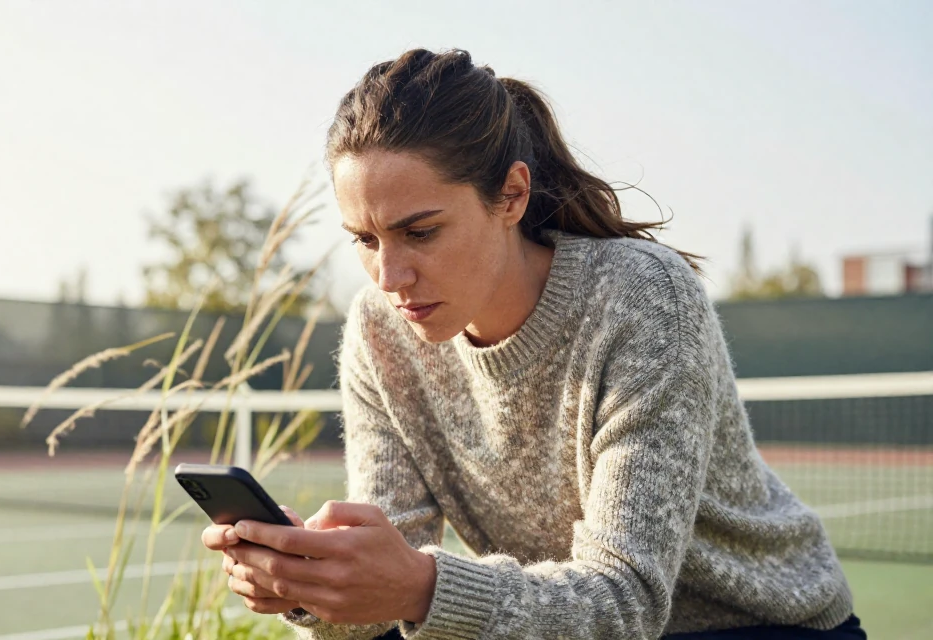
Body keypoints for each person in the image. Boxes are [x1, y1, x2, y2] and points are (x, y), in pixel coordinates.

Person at [201, 48, 866, 639]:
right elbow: (389, 597)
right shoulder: (380, 331)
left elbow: (626, 604)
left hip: (763, 623)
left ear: (511, 196)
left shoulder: (641, 297)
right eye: (365, 240)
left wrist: (420, 587)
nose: (390, 276)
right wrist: (317, 586)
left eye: (421, 232)